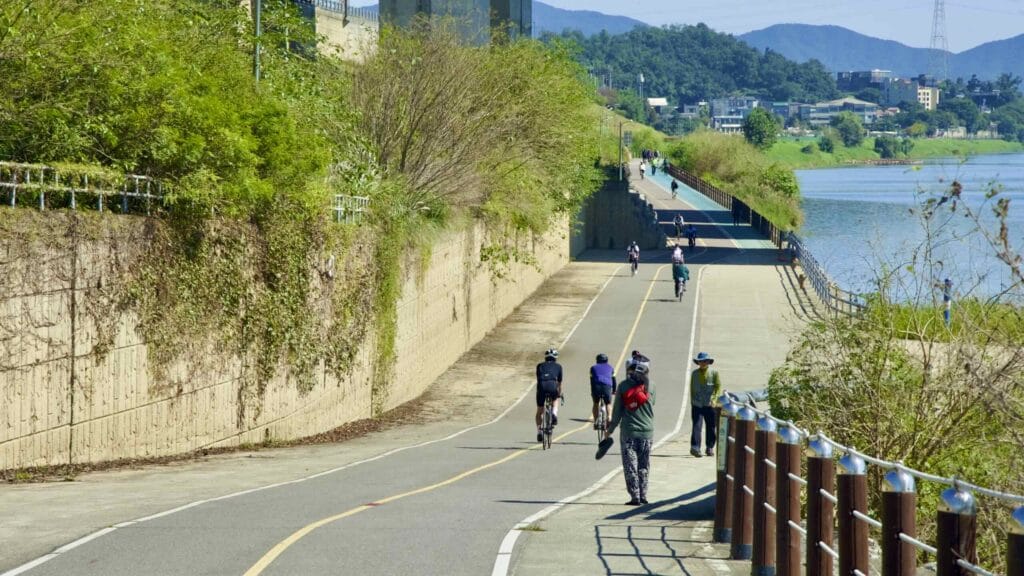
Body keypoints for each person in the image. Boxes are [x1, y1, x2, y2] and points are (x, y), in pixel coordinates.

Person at [605, 361, 655, 505]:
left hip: (629, 432)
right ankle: (644, 494)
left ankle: (635, 496)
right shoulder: (652, 386)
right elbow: (653, 403)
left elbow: (617, 412)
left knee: (630, 465)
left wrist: (610, 430)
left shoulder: (623, 386)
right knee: (644, 465)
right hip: (647, 432)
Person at [689, 352, 721, 457]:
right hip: (697, 404)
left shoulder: (714, 373)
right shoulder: (694, 374)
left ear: (708, 362)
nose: (703, 363)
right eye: (701, 361)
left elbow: (718, 387)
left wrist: (715, 400)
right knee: (696, 426)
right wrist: (693, 402)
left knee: (711, 426)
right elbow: (692, 389)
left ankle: (709, 447)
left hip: (710, 404)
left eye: (705, 361)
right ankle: (695, 448)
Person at [535, 348, 563, 442]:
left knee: (539, 410)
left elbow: (538, 378)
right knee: (555, 400)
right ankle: (554, 414)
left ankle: (539, 431)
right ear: (555, 358)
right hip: (552, 385)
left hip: (542, 386)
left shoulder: (539, 366)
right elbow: (559, 383)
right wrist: (559, 393)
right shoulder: (558, 366)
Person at [590, 353, 617, 427]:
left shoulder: (593, 368)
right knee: (608, 403)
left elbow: (592, 381)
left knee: (596, 403)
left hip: (596, 386)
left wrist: (592, 391)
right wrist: (614, 390)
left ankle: (596, 421)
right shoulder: (611, 368)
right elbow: (614, 380)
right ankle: (609, 418)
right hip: (607, 387)